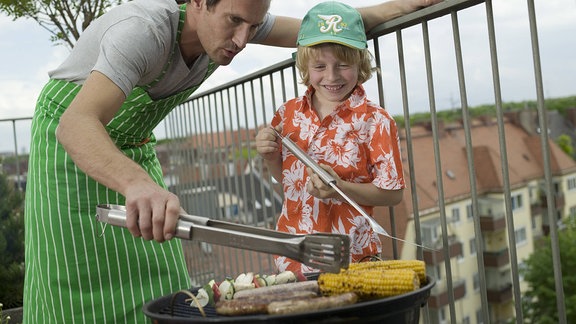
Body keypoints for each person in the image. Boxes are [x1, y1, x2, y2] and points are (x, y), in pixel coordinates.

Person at [23, 0, 441, 322]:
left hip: (132, 145)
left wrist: (403, 5)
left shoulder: (237, 14)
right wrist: (138, 183)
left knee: (163, 276)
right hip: (71, 147)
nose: (243, 40)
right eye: (235, 22)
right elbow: (75, 124)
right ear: (199, 2)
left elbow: (324, 26)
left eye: (254, 26)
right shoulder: (143, 30)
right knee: (76, 279)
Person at [255, 1, 406, 274]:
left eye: (343, 64)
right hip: (293, 255)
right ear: (305, 65)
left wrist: (340, 187)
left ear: (360, 61)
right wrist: (269, 158)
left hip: (352, 257)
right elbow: (285, 178)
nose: (331, 76)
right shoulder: (286, 114)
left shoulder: (376, 121)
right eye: (320, 66)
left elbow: (393, 194)